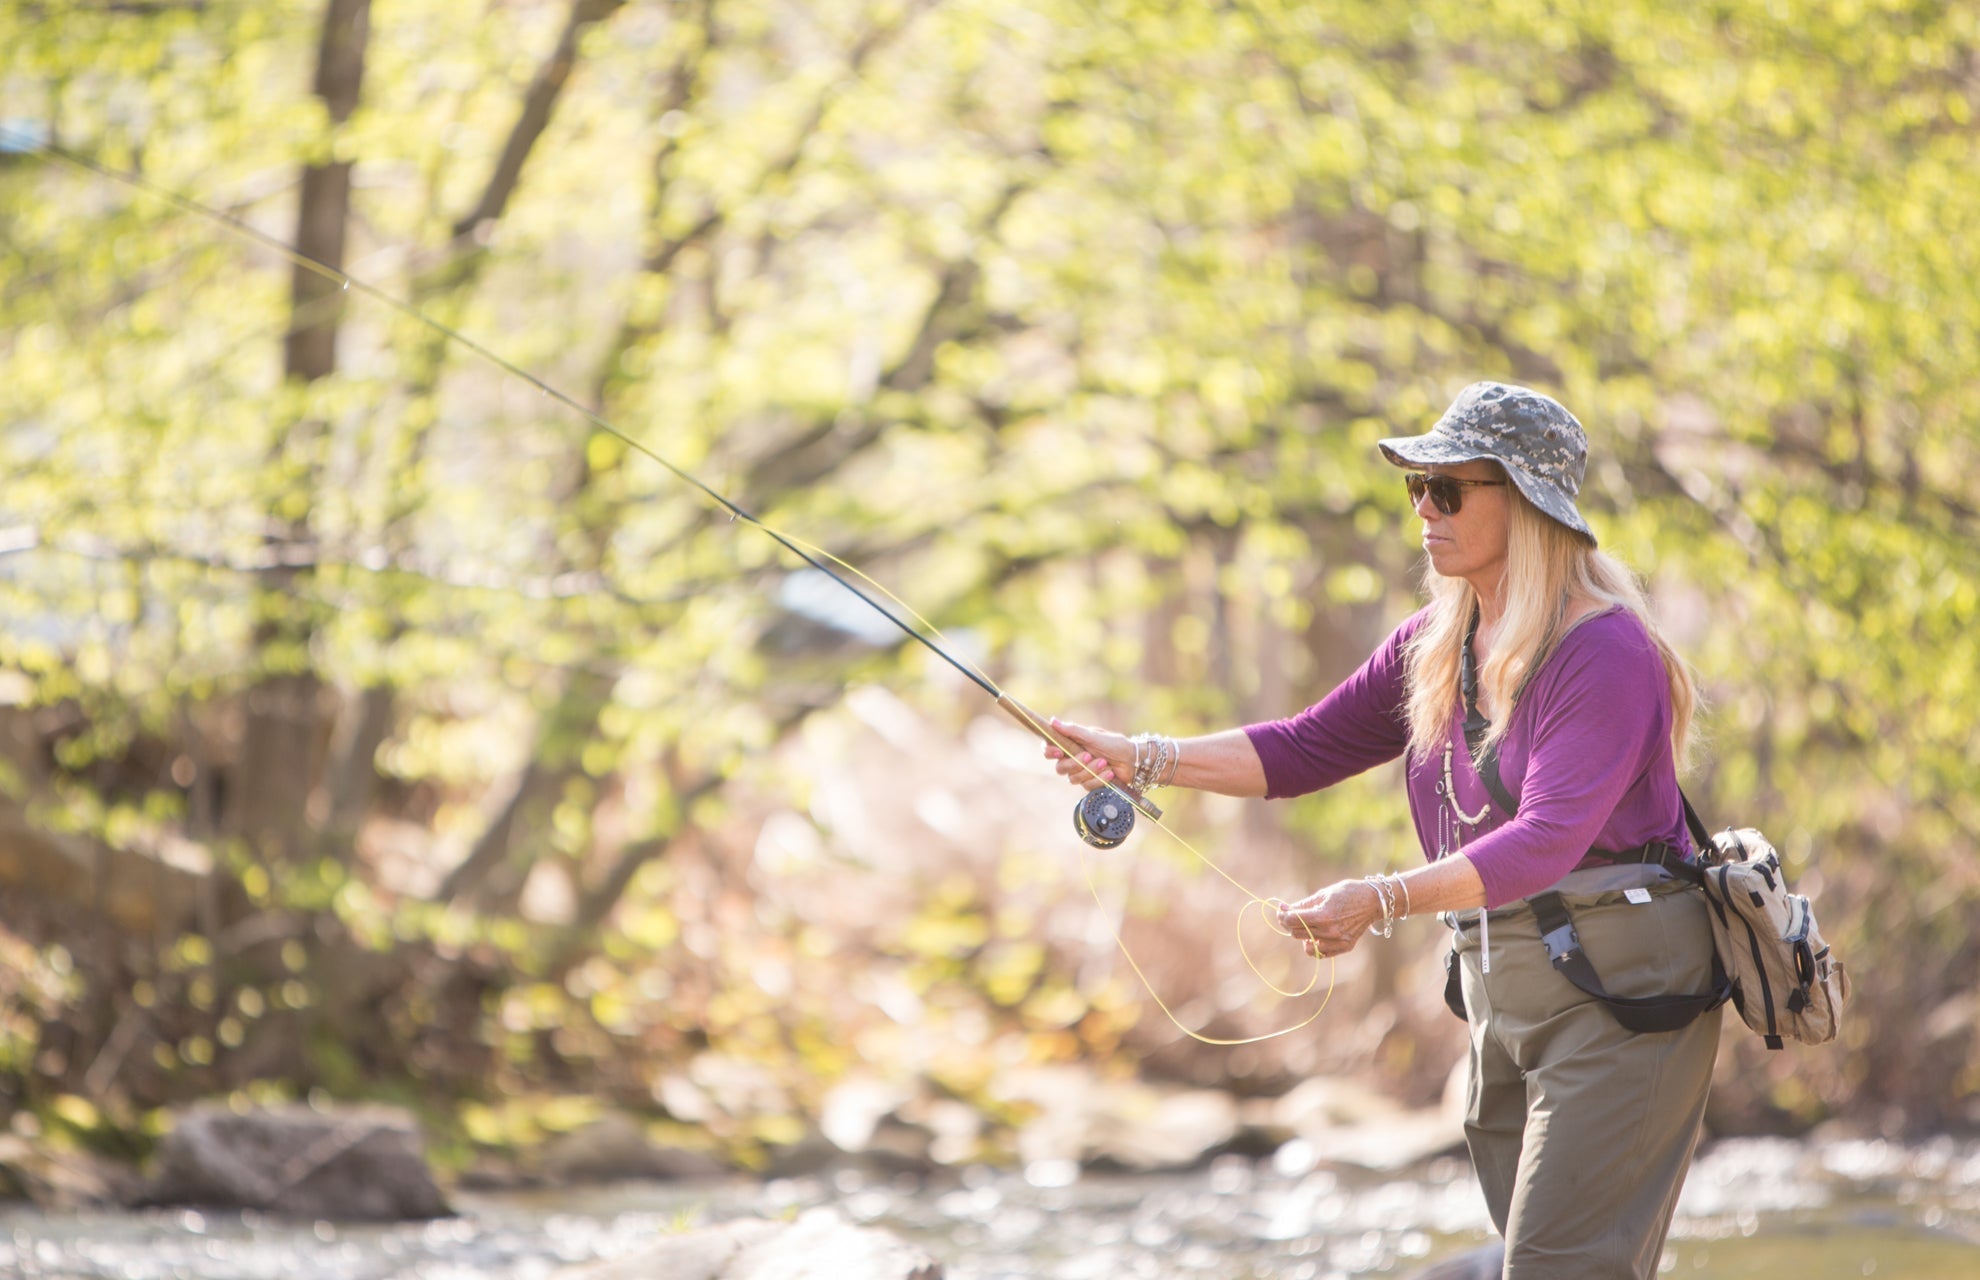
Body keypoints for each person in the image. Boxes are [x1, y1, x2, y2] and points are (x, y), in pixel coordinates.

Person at [1044, 381, 1721, 1279]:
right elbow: (1299, 750)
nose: (1423, 511)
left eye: (1447, 490)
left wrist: (1381, 899)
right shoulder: (1434, 644)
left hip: (1627, 1000)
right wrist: (1137, 756)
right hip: (1512, 988)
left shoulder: (1605, 653)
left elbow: (1546, 840)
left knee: (1559, 1268)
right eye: (1416, 489)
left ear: (1524, 503)